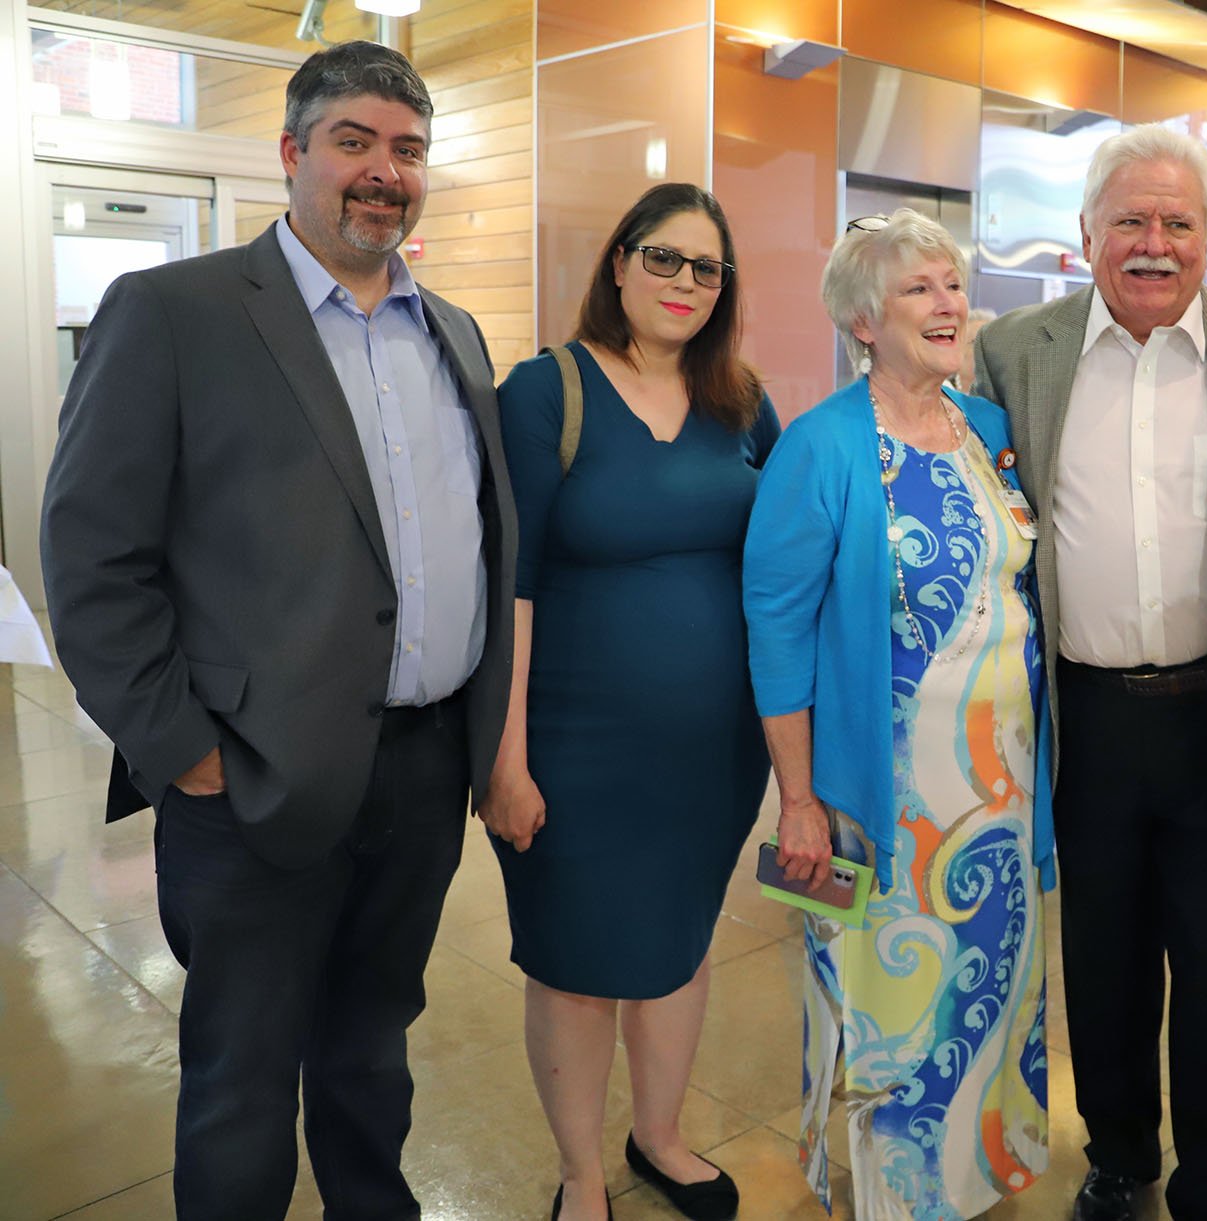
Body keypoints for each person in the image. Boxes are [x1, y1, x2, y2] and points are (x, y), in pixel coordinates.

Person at [39, 42, 516, 1220]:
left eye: (407, 149)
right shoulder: (174, 312)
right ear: (292, 153)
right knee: (242, 1082)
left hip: (419, 772)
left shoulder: (451, 331)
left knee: (371, 1051)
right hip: (248, 782)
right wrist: (182, 748)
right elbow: (93, 559)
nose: (384, 172)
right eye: (354, 140)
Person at [972, 124, 1207, 1221]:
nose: (1154, 244)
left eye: (1177, 223)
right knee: (1103, 960)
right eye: (1130, 221)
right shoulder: (1016, 349)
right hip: (1086, 718)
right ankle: (1120, 1157)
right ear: (1086, 235)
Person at [743, 209, 1055, 1220]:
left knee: (988, 998)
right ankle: (898, 1196)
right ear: (862, 320)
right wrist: (798, 798)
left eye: (953, 286)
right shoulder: (822, 447)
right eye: (920, 289)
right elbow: (777, 630)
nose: (949, 305)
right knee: (895, 1012)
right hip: (886, 798)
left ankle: (973, 1180)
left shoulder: (990, 431)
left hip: (999, 797)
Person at [478, 183, 778, 1221]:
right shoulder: (545, 391)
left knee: (675, 945)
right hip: (572, 747)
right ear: (618, 264)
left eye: (706, 267)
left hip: (712, 754)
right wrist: (503, 763)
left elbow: (785, 570)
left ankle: (661, 1136)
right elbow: (508, 585)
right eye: (663, 258)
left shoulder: (743, 401)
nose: (684, 283)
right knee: (573, 962)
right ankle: (582, 1177)